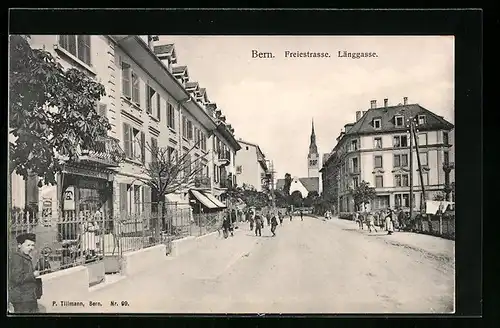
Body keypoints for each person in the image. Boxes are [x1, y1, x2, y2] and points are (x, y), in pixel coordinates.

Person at [9, 233, 41, 313]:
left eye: (33, 245)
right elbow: (17, 278)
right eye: (28, 245)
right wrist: (33, 275)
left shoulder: (24, 257)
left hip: (28, 297)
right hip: (22, 299)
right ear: (19, 245)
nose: (31, 248)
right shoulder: (17, 258)